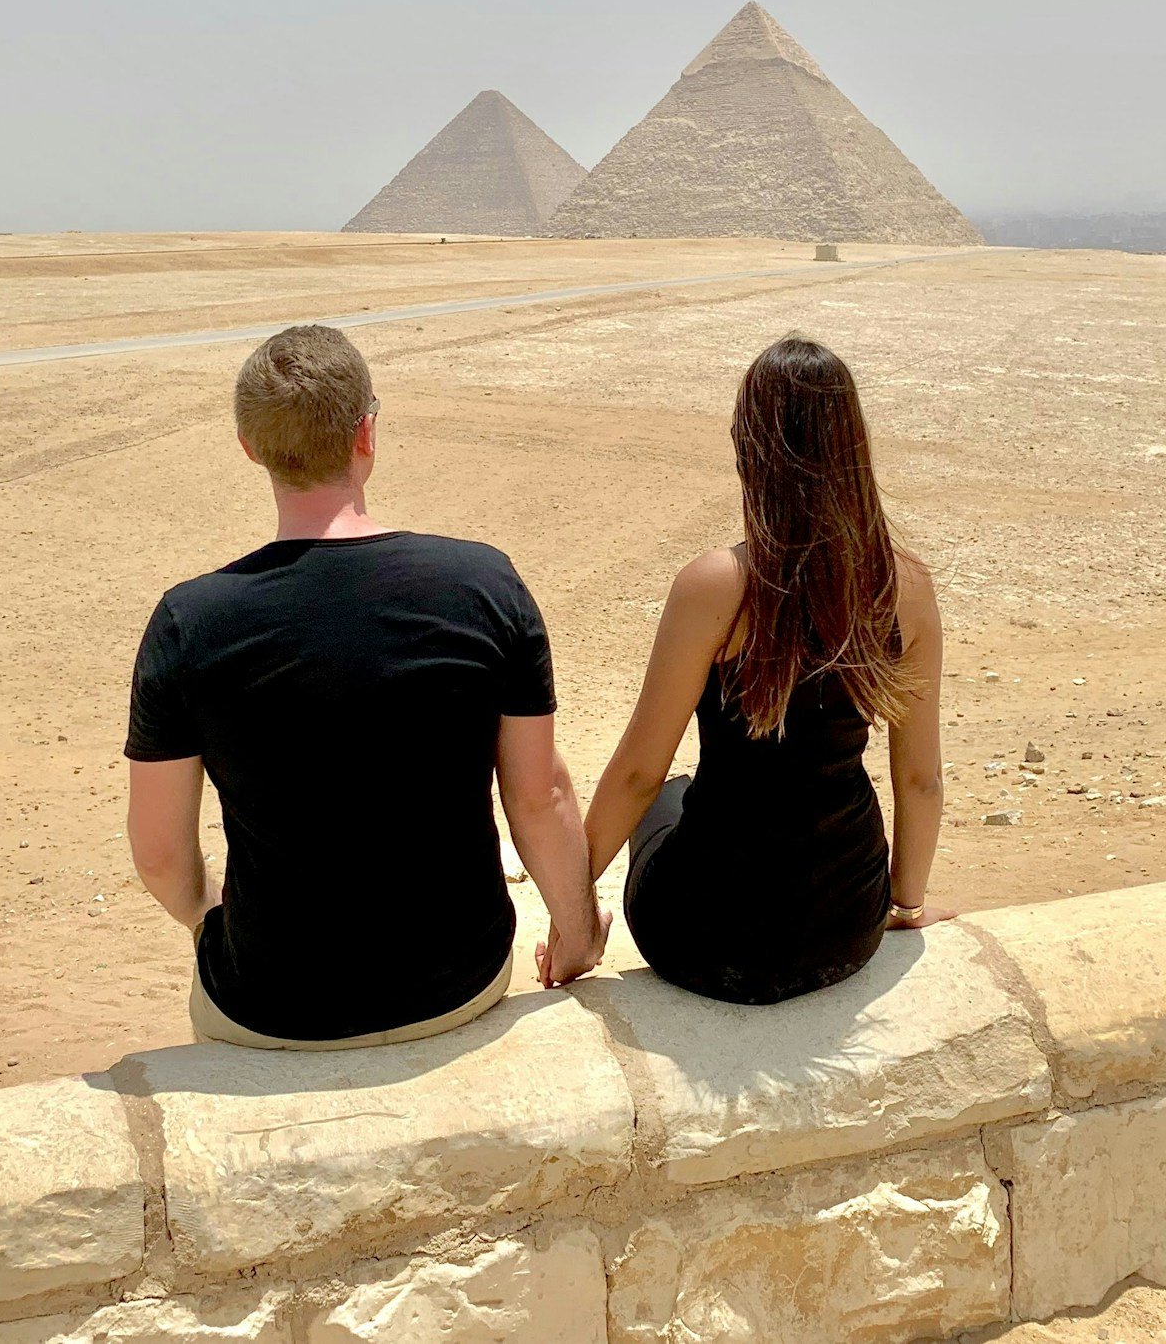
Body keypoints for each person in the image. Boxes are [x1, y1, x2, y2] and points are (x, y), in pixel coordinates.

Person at [123, 324, 606, 1049]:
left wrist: (207, 917)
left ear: (250, 446)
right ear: (367, 432)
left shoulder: (189, 621)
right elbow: (539, 797)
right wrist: (576, 935)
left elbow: (160, 852)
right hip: (458, 983)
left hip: (270, 1003)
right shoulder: (483, 584)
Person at [582, 336, 947, 1004]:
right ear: (853, 446)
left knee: (666, 793)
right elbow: (919, 778)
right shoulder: (905, 586)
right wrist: (905, 902)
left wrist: (574, 919)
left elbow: (637, 772)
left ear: (750, 446)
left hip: (701, 938)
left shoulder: (715, 586)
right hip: (847, 929)